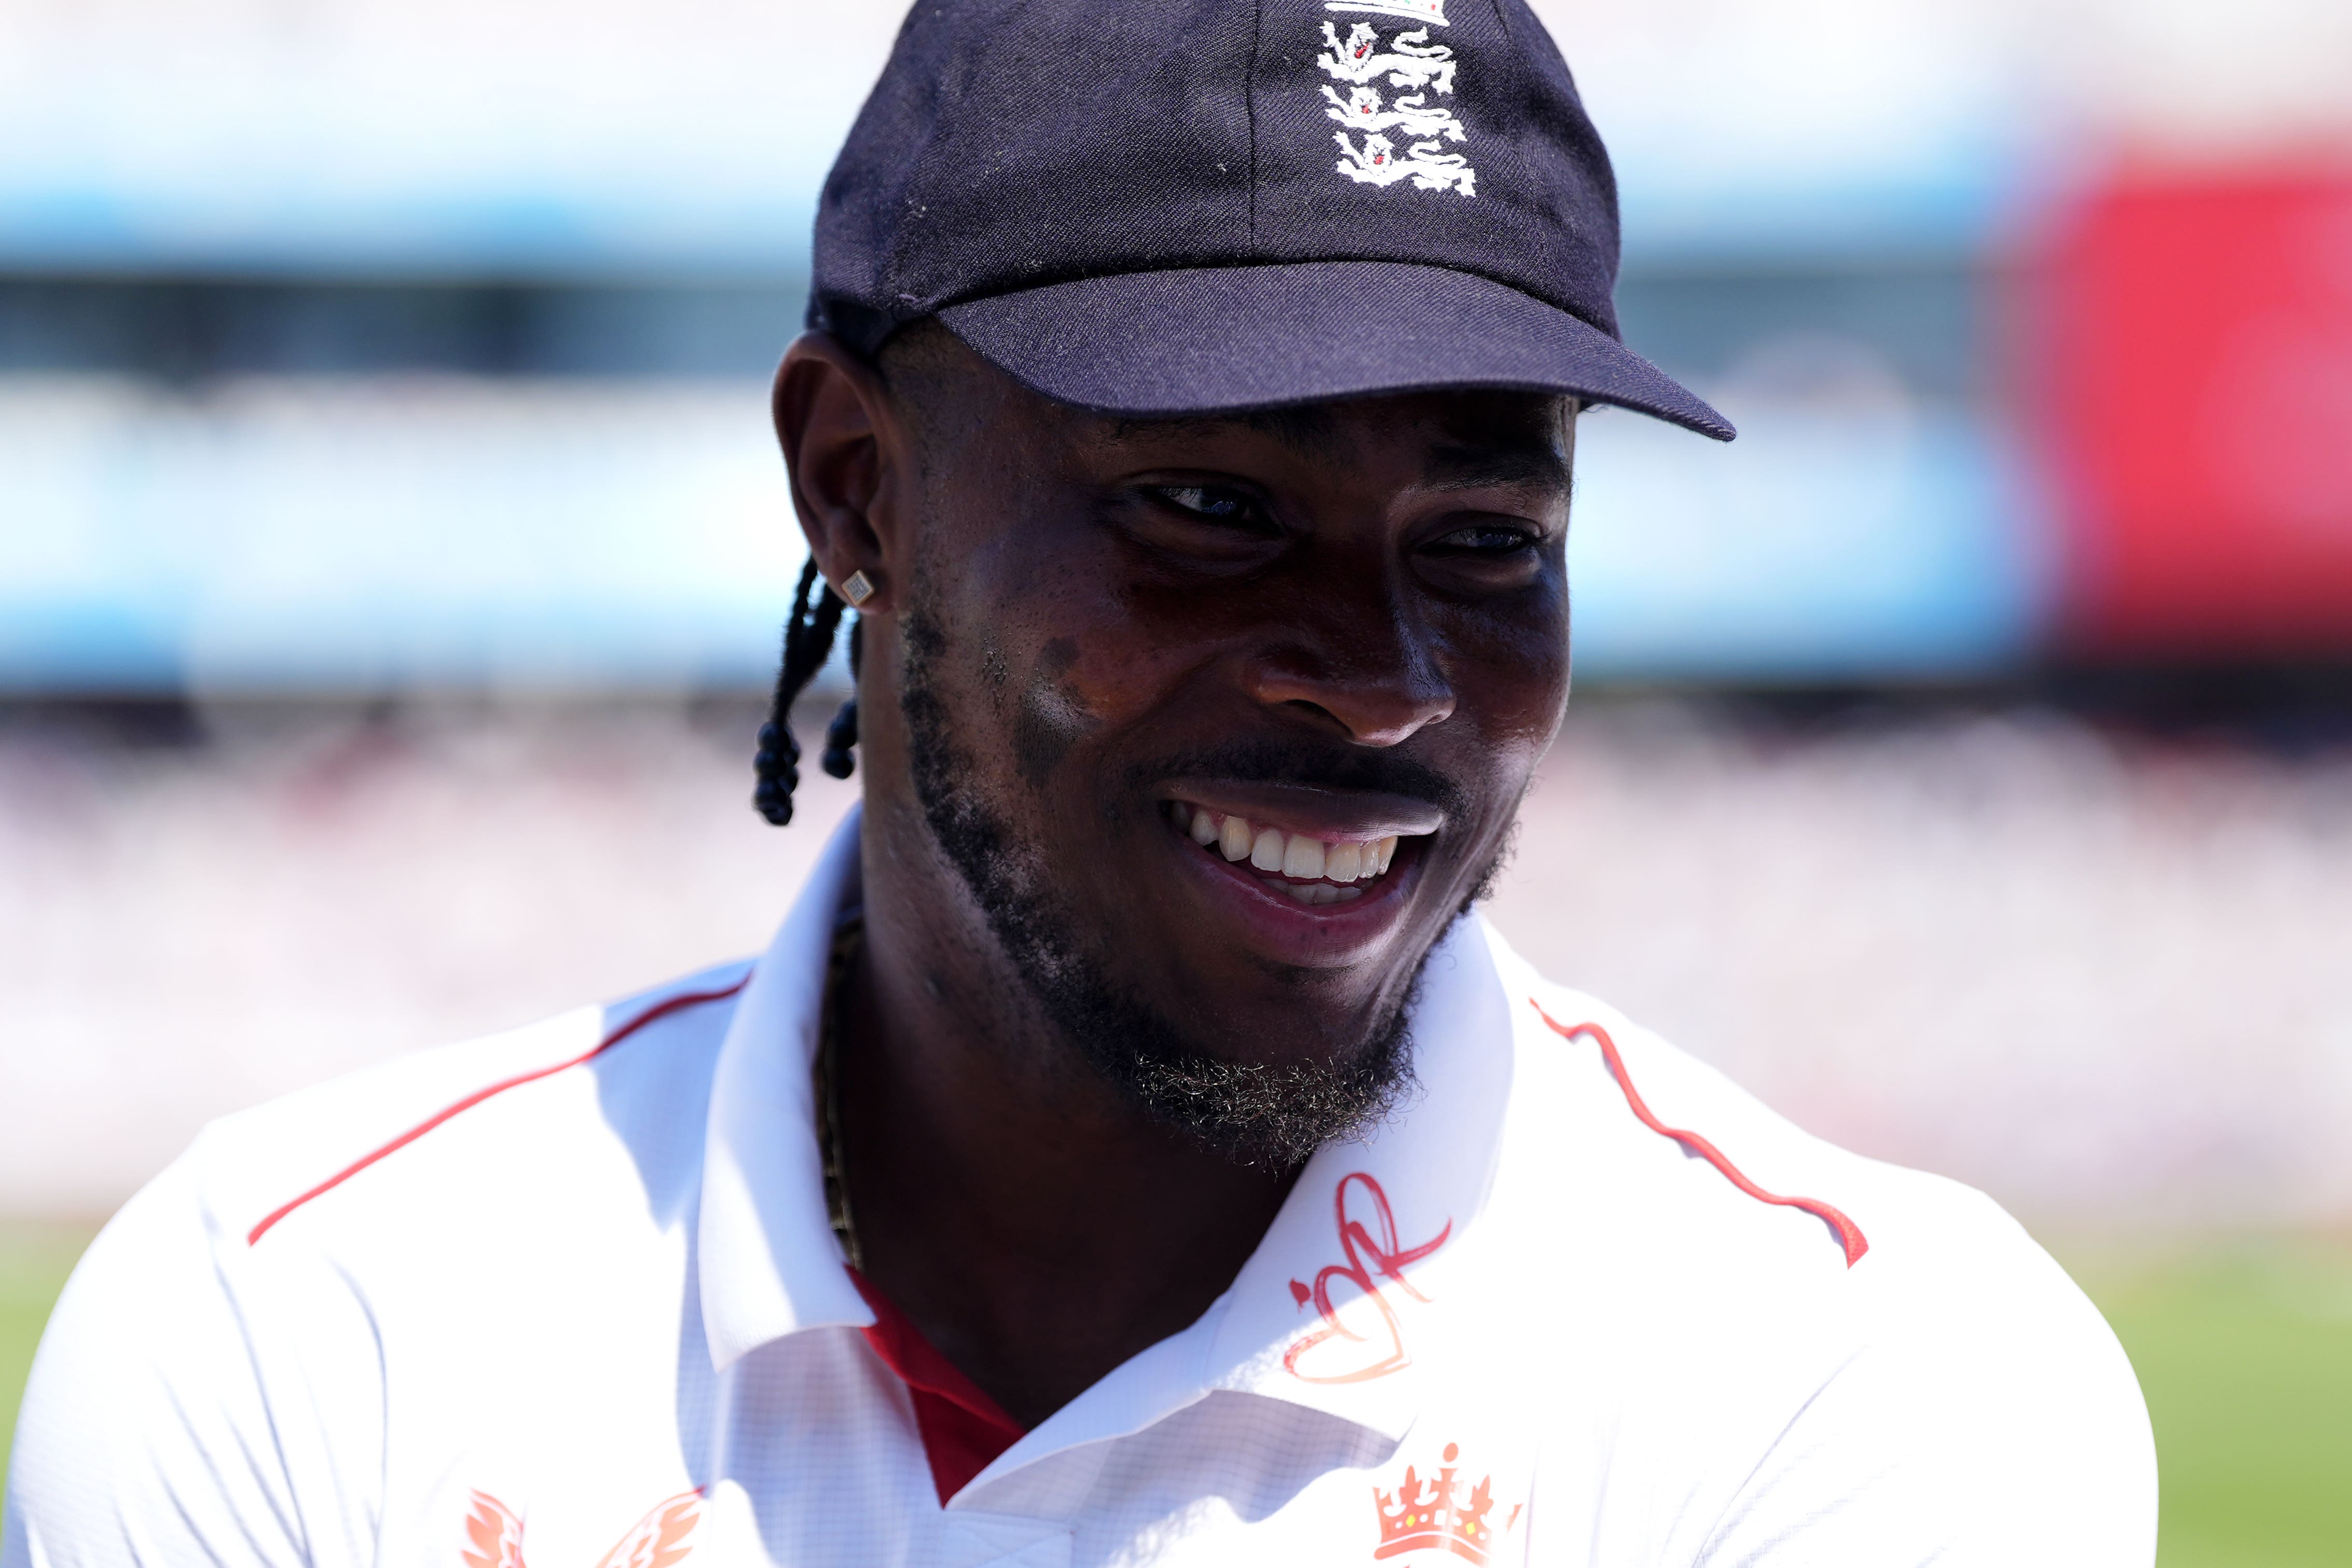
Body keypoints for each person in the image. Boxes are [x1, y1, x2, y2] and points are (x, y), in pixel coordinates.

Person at [4, 1, 2156, 1563]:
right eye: (1211, 503)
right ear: (860, 489)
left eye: (1488, 539)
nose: (1382, 687)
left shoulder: (1870, 1381)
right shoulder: (304, 1326)